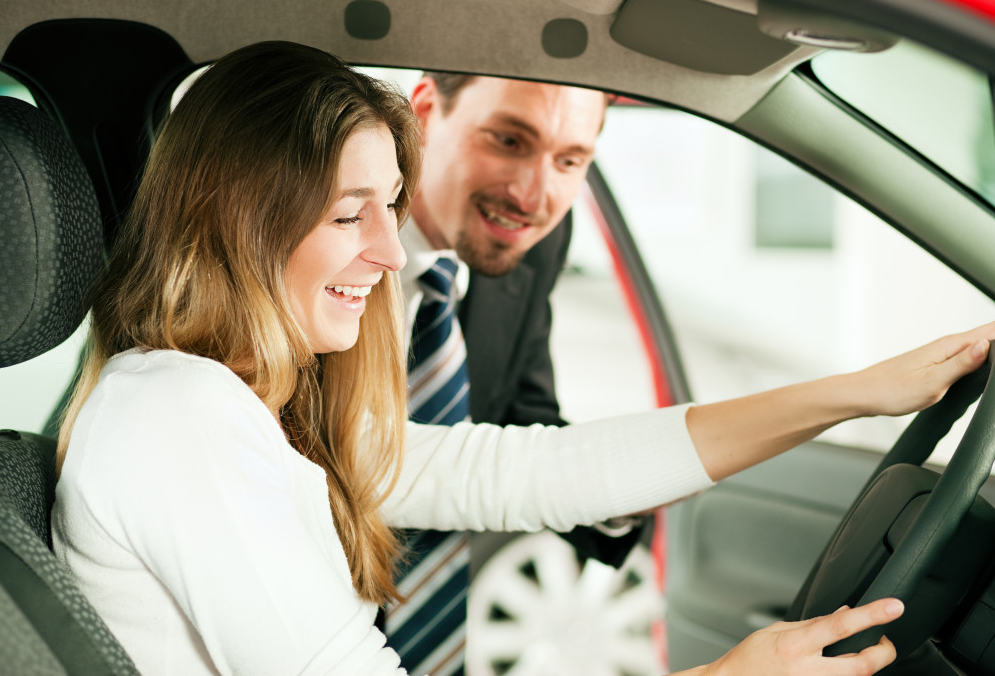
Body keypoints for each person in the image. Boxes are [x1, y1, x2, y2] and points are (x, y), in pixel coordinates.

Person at [51, 39, 994, 676]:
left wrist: (855, 393)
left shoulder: (251, 408)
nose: (389, 251)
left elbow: (527, 469)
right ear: (237, 224)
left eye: (391, 204)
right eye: (350, 215)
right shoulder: (181, 417)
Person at [387, 73, 631, 675]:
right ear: (424, 113)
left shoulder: (534, 240)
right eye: (508, 141)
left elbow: (520, 412)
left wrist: (622, 485)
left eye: (570, 159)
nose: (533, 194)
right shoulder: (318, 238)